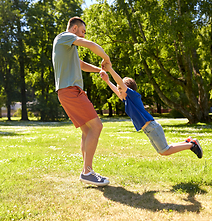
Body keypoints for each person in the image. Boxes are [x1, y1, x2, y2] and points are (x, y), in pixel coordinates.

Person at [52, 17, 110, 186]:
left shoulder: (66, 47)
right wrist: (106, 58)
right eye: (83, 31)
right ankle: (87, 172)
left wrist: (99, 69)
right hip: (71, 91)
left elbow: (81, 64)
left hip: (67, 91)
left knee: (87, 130)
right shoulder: (64, 37)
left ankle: (86, 170)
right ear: (75, 28)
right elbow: (91, 45)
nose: (84, 35)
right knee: (97, 126)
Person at [100, 63, 203, 158]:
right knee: (163, 150)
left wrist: (110, 69)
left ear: (128, 89)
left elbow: (120, 82)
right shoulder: (127, 100)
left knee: (165, 151)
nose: (119, 92)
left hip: (152, 128)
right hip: (149, 129)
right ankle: (189, 142)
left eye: (120, 89)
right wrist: (107, 81)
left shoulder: (134, 96)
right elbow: (117, 90)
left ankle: (191, 145)